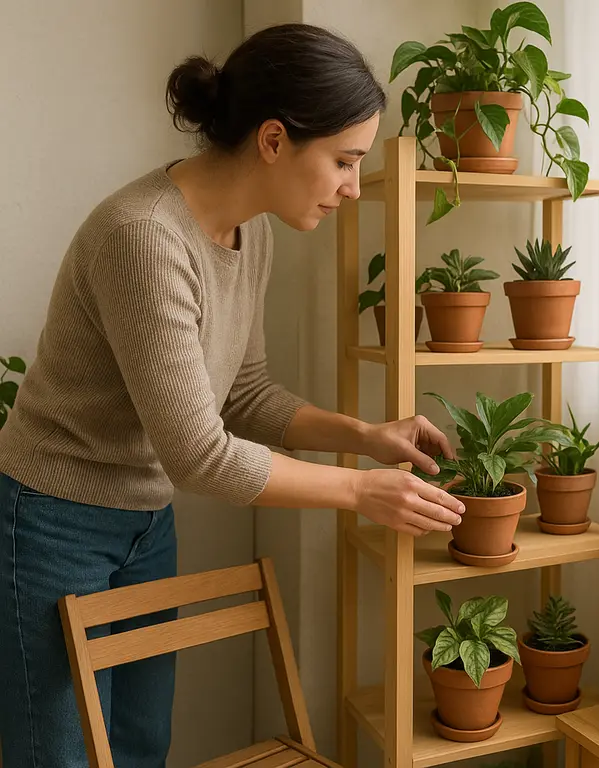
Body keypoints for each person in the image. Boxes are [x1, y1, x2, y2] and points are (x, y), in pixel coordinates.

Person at [0, 23, 465, 768]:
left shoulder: (251, 233)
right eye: (344, 161)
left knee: (143, 745)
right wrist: (360, 490)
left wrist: (365, 434)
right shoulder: (144, 236)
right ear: (274, 141)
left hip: (145, 521)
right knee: (55, 755)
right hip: (53, 521)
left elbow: (242, 392)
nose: (352, 187)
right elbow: (202, 456)